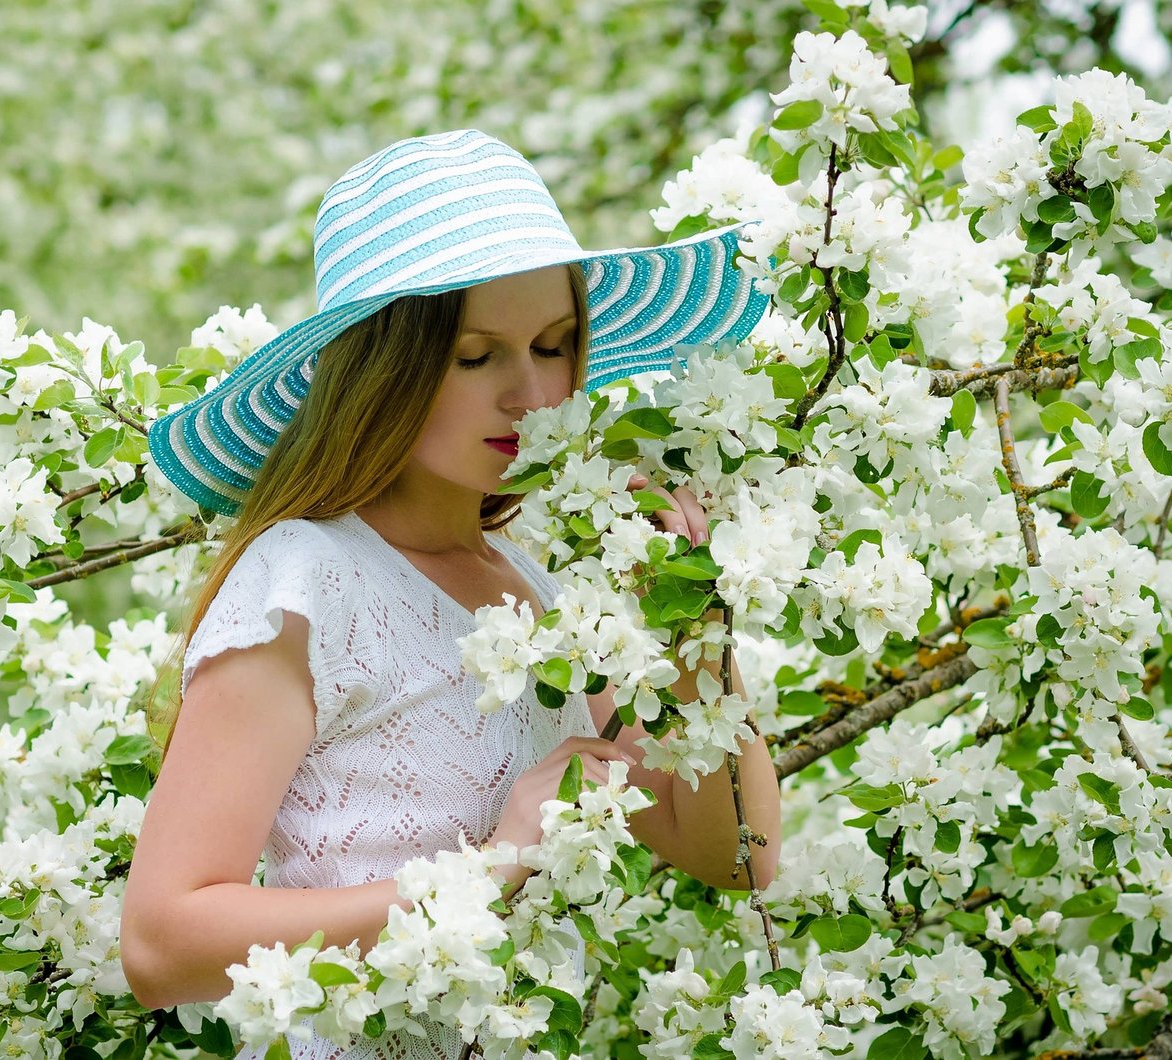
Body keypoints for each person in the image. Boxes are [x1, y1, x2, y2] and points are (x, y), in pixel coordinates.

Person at [120, 128, 782, 1058]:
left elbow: (735, 855)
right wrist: (491, 868)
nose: (529, 392)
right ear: (382, 371)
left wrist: (692, 626)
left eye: (554, 346)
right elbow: (161, 943)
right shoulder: (307, 583)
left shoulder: (539, 589)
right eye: (476, 357)